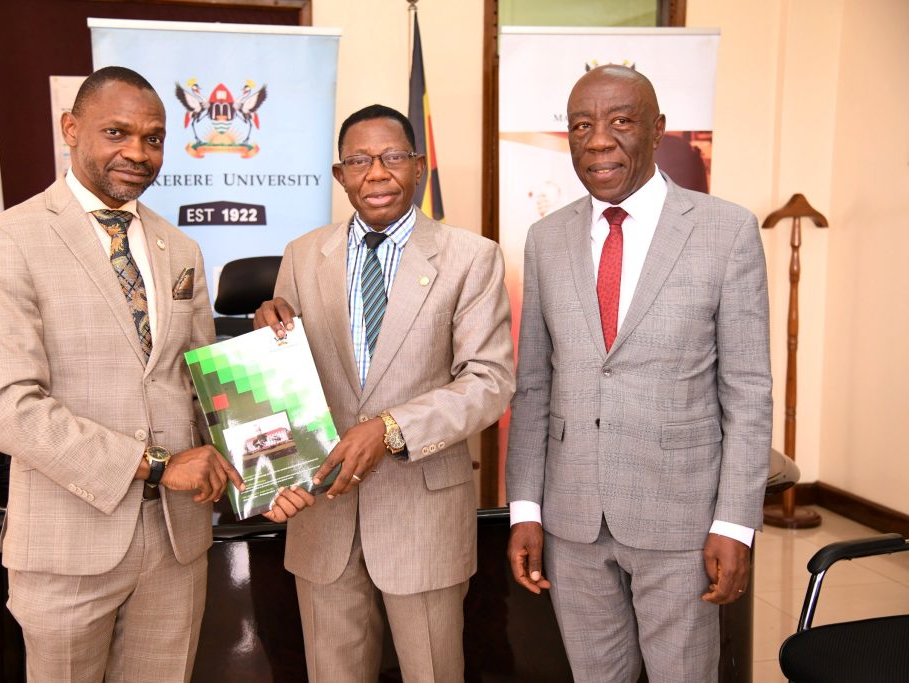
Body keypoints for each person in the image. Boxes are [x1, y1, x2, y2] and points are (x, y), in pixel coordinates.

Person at [0, 66, 242, 683]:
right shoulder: (9, 240)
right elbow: (12, 409)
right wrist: (156, 464)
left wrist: (271, 464)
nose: (138, 154)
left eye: (154, 138)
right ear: (71, 129)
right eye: (117, 132)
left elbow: (199, 383)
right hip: (69, 542)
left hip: (177, 541)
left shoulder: (181, 249)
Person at [505, 65, 772, 682]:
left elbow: (748, 393)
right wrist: (525, 508)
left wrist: (734, 523)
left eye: (620, 121)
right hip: (572, 520)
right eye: (581, 126)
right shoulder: (546, 238)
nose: (598, 140)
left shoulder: (725, 231)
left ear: (658, 130)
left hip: (680, 517)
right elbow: (535, 385)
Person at [254, 104, 515, 683]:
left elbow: (489, 382)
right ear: (339, 174)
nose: (377, 172)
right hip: (324, 513)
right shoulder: (302, 255)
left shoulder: (471, 258)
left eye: (392, 156)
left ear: (418, 167)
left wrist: (392, 428)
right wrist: (265, 338)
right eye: (359, 160)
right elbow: (287, 377)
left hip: (421, 513)